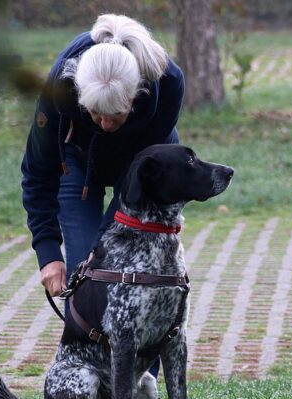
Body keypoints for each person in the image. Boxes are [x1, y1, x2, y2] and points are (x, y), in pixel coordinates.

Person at [21, 13, 185, 296]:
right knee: (83, 273)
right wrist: (47, 253)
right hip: (77, 158)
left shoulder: (168, 82)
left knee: (132, 268)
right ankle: (82, 338)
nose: (106, 124)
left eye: (115, 114)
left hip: (144, 162)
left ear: (136, 96)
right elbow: (38, 170)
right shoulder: (60, 88)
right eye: (95, 114)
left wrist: (102, 246)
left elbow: (141, 174)